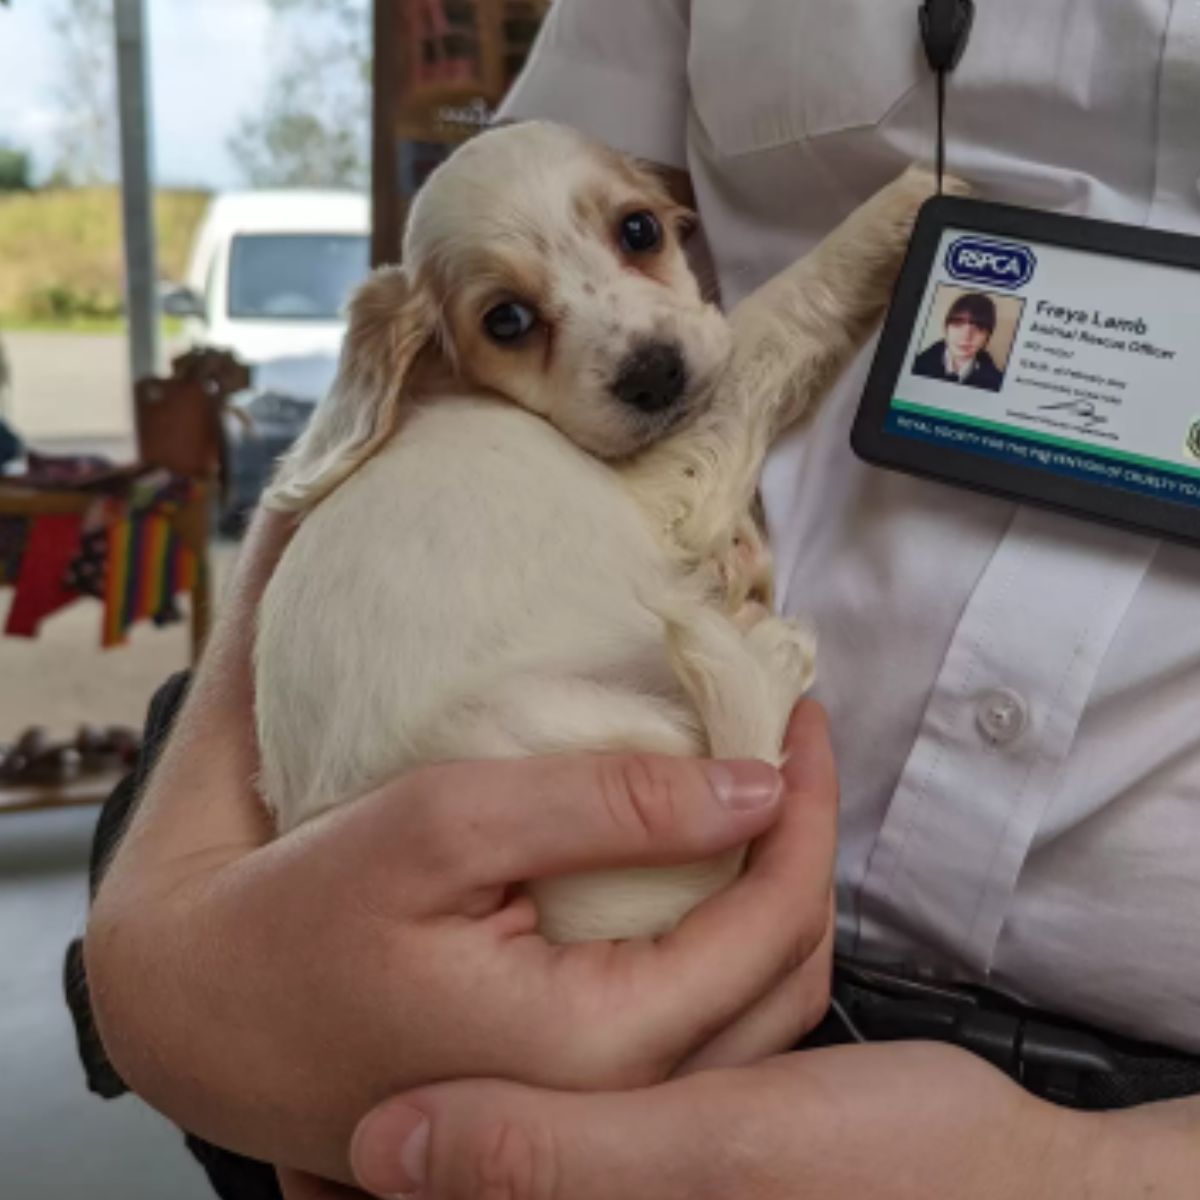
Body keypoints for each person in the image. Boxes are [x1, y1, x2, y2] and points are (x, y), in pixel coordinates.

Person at [79, 2, 1200, 1197]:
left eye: (636, 239)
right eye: (514, 323)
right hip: (522, 973)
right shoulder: (465, 360)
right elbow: (372, 415)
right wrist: (167, 936)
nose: (637, 343)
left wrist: (1099, 1172)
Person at [911, 292, 1005, 390]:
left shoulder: (997, 383)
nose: (966, 336)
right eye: (958, 325)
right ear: (946, 328)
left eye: (979, 328)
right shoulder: (915, 366)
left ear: (988, 336)